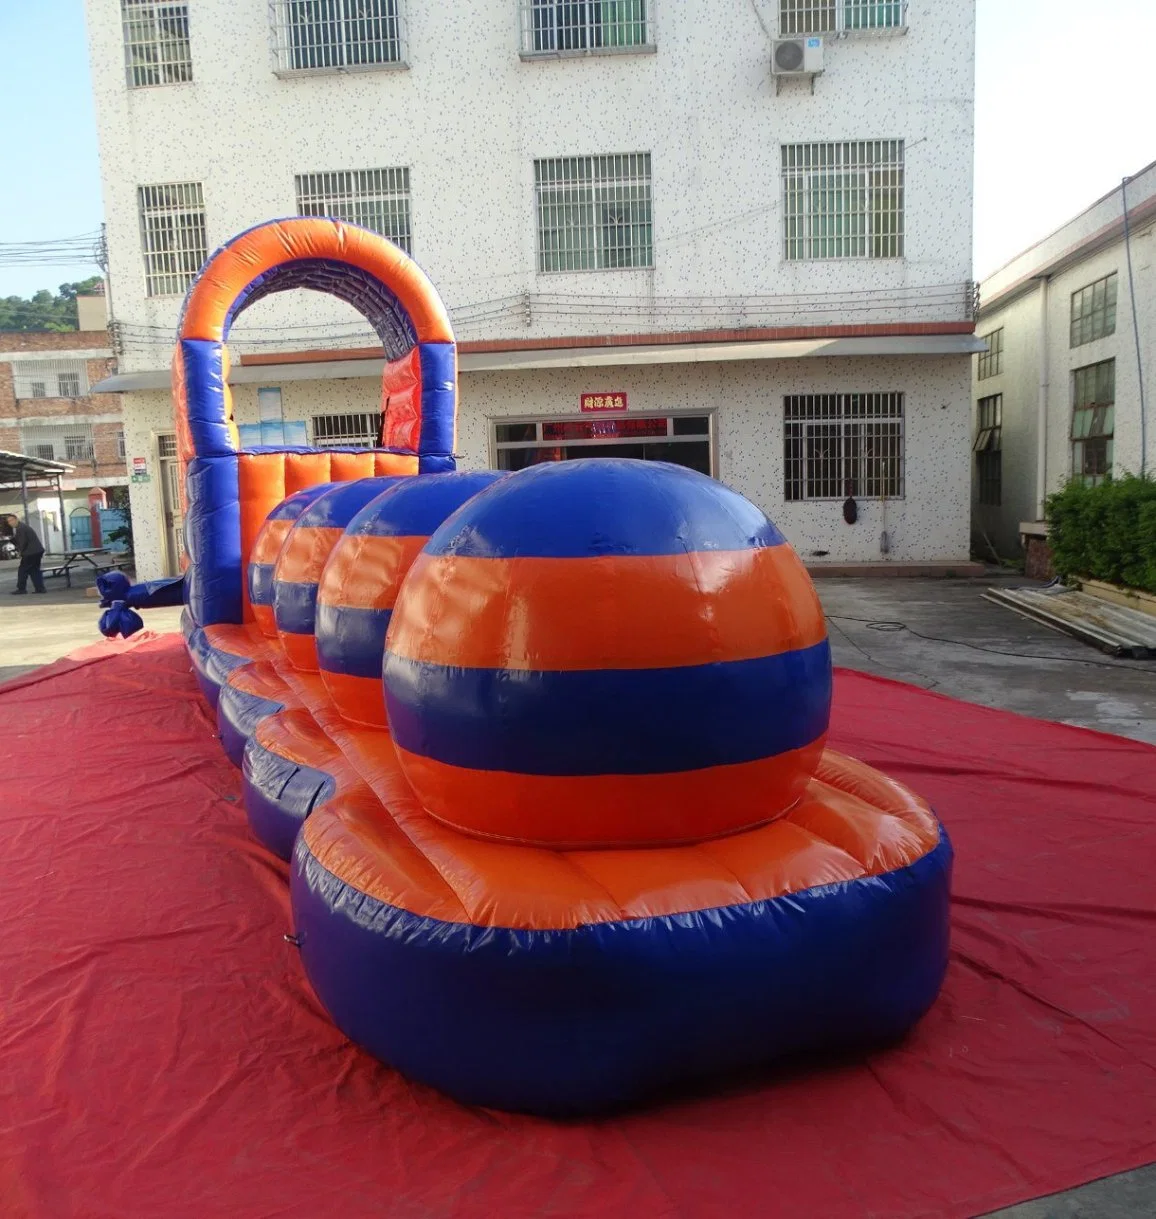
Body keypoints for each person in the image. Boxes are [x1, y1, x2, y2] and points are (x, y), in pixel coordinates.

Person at [5, 514, 46, 594]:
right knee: (34, 570)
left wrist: (20, 552)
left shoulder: (21, 528)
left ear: (16, 519)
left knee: (22, 570)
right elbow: (20, 540)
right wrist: (13, 540)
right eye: (8, 522)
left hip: (30, 552)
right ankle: (40, 588)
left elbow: (23, 542)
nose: (10, 523)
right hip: (36, 551)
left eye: (11, 520)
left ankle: (21, 589)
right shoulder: (22, 527)